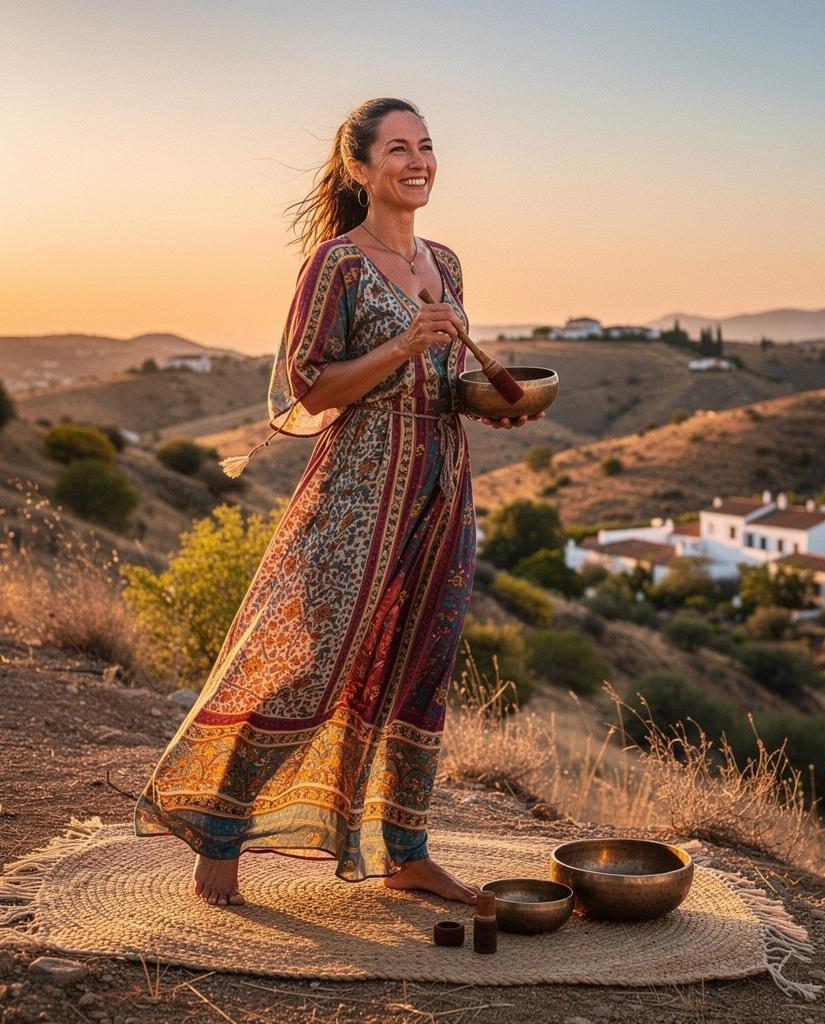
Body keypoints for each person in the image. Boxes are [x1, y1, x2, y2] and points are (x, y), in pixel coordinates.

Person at [134, 97, 543, 907]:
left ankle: (407, 849)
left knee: (423, 662)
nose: (418, 160)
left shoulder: (448, 263)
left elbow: (441, 378)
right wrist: (401, 343)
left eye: (426, 146)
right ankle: (221, 828)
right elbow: (310, 389)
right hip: (360, 483)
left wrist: (495, 404)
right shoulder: (337, 265)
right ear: (360, 168)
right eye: (398, 148)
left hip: (443, 481)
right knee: (311, 659)